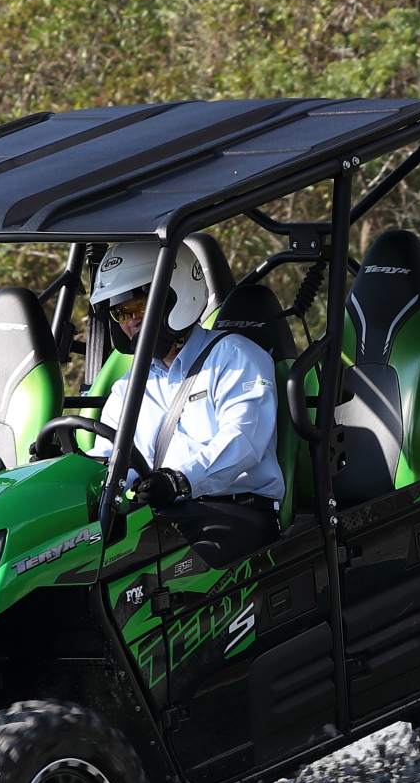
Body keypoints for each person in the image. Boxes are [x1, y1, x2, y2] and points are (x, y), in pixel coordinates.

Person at [89, 239, 283, 566]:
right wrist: (73, 474)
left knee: (167, 575)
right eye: (120, 312)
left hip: (236, 512)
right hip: (162, 516)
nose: (130, 322)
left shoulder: (233, 356)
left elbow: (243, 441)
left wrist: (180, 479)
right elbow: (108, 459)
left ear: (176, 295)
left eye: (137, 307)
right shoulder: (129, 386)